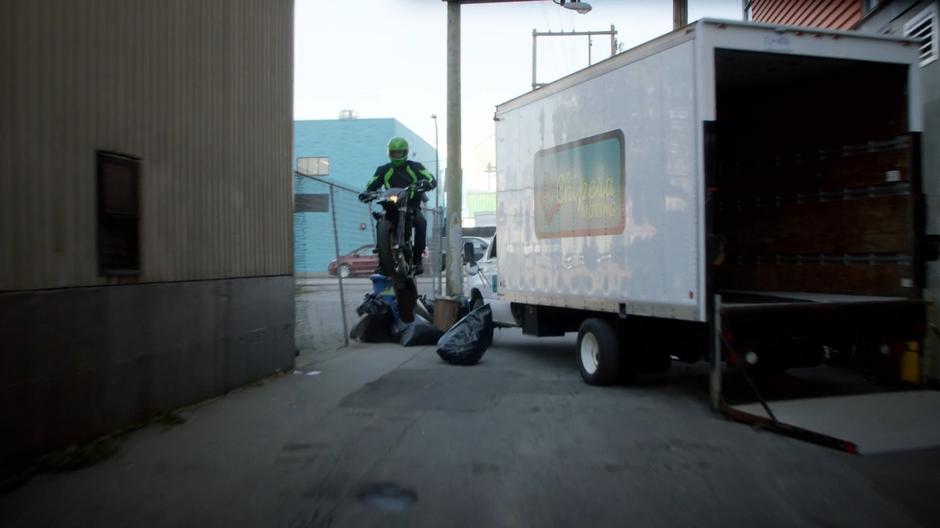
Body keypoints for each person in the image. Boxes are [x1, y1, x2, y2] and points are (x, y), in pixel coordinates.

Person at [359, 136, 436, 274]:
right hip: (390, 206)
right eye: (394, 153)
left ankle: (418, 260)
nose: (397, 155)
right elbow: (372, 183)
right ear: (390, 153)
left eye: (400, 152)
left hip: (411, 206)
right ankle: (383, 261)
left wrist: (427, 182)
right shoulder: (383, 170)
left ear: (405, 152)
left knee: (421, 222)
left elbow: (429, 177)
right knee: (381, 221)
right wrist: (367, 192)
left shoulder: (415, 167)